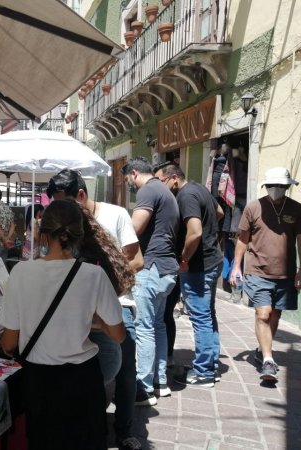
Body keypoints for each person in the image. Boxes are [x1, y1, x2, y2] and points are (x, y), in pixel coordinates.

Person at [0, 200, 125, 450]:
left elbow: (9, 342)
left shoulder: (21, 272)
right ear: (80, 234)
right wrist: (91, 317)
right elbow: (119, 335)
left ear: (42, 233)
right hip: (82, 379)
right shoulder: (93, 274)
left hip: (39, 381)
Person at [46, 168, 143, 449]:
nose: (60, 210)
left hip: (116, 303)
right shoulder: (64, 223)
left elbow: (137, 260)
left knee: (124, 369)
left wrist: (105, 283)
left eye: (65, 202)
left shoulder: (116, 214)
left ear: (81, 194)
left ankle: (124, 431)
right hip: (75, 309)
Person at [230, 167, 301, 383]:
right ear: (266, 186)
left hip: (285, 274)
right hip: (257, 271)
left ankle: (261, 349)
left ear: (287, 187)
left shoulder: (298, 209)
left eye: (281, 186)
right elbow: (243, 238)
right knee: (263, 314)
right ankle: (268, 360)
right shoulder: (253, 208)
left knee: (275, 315)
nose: (276, 189)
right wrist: (236, 266)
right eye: (273, 186)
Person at [155, 163, 224, 388]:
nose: (160, 187)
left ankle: (203, 372)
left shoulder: (186, 196)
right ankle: (211, 364)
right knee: (208, 314)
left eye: (161, 181)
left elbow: (194, 231)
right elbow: (220, 212)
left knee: (200, 317)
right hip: (213, 260)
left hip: (198, 266)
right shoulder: (199, 189)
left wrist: (184, 259)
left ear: (173, 178)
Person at [122, 156, 180, 405]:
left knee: (145, 328)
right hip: (167, 269)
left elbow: (134, 229)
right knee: (158, 325)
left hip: (152, 268)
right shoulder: (165, 191)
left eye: (128, 180)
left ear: (135, 173)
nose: (130, 185)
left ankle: (144, 388)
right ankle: (161, 382)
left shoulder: (148, 191)